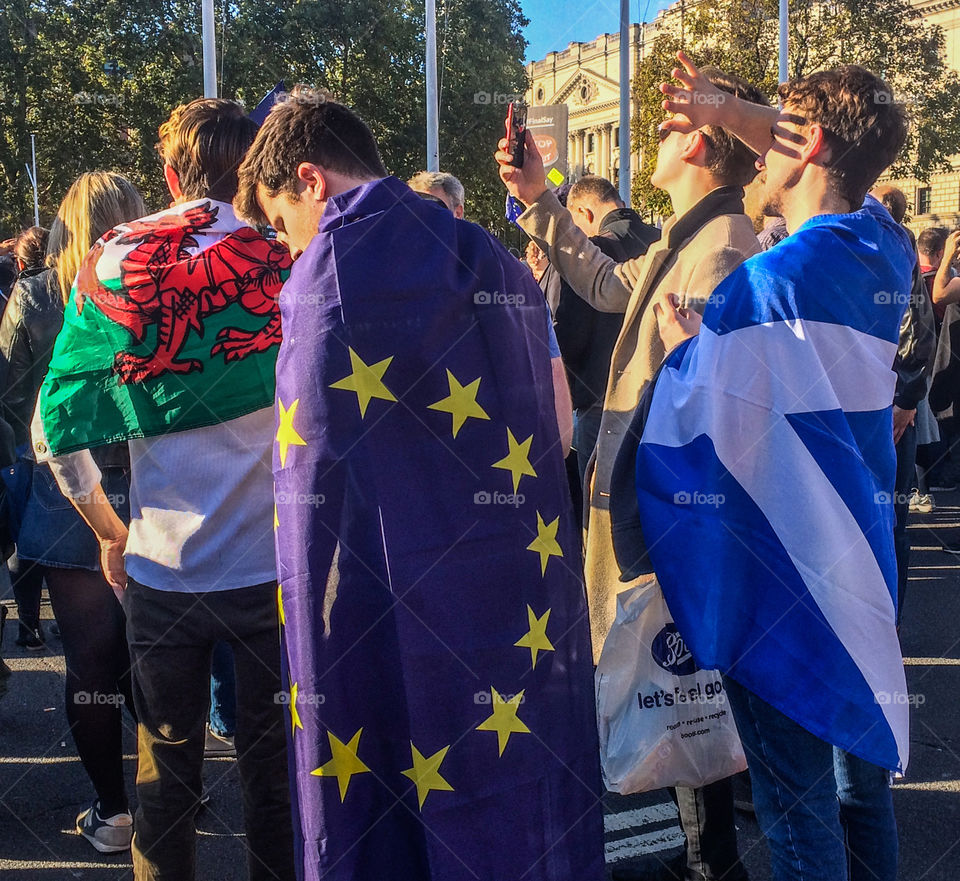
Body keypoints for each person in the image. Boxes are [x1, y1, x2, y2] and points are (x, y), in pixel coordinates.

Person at [234, 87, 604, 881]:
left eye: (279, 221)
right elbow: (548, 426)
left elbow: (314, 488)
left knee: (381, 794)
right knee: (501, 784)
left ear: (310, 179)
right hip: (504, 594)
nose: (287, 246)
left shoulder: (326, 278)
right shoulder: (489, 255)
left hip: (374, 601)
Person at [624, 52, 912, 881]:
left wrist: (683, 352)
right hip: (861, 559)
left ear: (808, 140)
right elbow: (835, 146)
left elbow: (706, 423)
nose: (758, 151)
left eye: (777, 132)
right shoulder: (882, 249)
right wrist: (735, 109)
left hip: (786, 579)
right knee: (864, 793)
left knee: (796, 814)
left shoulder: (765, 282)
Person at [497, 67, 768, 881]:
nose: (651, 135)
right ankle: (705, 856)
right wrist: (540, 197)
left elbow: (727, 405)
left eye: (666, 127)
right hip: (652, 497)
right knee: (675, 683)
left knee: (683, 685)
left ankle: (712, 862)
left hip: (670, 507)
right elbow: (605, 281)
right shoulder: (690, 233)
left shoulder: (722, 244)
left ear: (701, 144)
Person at [33, 99, 295, 881]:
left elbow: (55, 426)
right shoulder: (288, 255)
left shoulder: (111, 257)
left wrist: (110, 530)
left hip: (160, 566)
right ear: (253, 170)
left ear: (171, 174)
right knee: (275, 781)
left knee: (165, 781)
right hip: (273, 567)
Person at [1, 173, 143, 851]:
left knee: (89, 659)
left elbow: (9, 389)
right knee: (155, 648)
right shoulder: (154, 283)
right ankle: (172, 786)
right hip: (148, 483)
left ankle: (115, 811)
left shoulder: (33, 295)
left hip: (63, 485)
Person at [559, 175, 659, 482]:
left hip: (601, 404)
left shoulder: (588, 253)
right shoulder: (663, 242)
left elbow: (570, 334)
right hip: (659, 400)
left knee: (599, 508)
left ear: (584, 214)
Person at [870, 185, 937, 623]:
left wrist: (906, 398)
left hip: (887, 406)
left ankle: (886, 626)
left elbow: (918, 324)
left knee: (890, 522)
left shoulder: (888, 239)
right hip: (879, 402)